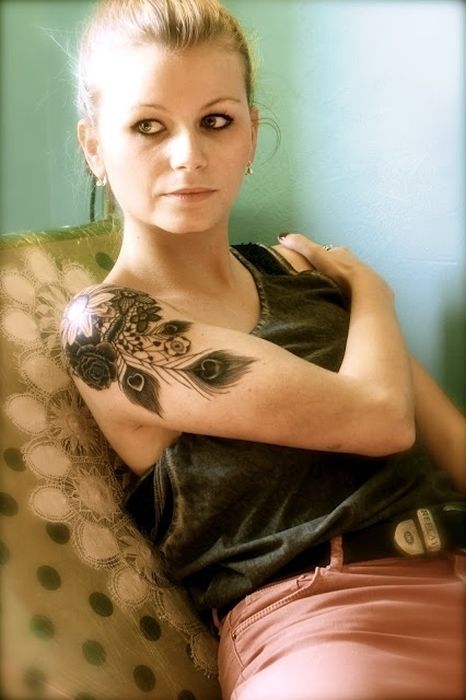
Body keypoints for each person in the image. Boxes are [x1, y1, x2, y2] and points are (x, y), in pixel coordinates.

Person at [61, 1, 465, 698]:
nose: (189, 155)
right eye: (149, 126)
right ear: (95, 146)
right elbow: (378, 419)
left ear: (250, 132)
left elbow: (449, 440)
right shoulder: (107, 327)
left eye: (216, 121)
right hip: (323, 624)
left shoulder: (302, 274)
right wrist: (373, 293)